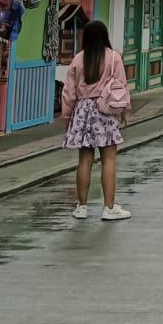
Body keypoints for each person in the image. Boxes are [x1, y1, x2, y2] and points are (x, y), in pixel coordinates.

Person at [60, 20, 132, 222]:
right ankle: (109, 208)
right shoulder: (113, 58)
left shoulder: (78, 59)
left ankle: (81, 207)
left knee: (84, 160)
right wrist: (125, 112)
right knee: (109, 159)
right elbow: (121, 86)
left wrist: (68, 117)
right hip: (105, 111)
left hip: (83, 111)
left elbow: (69, 92)